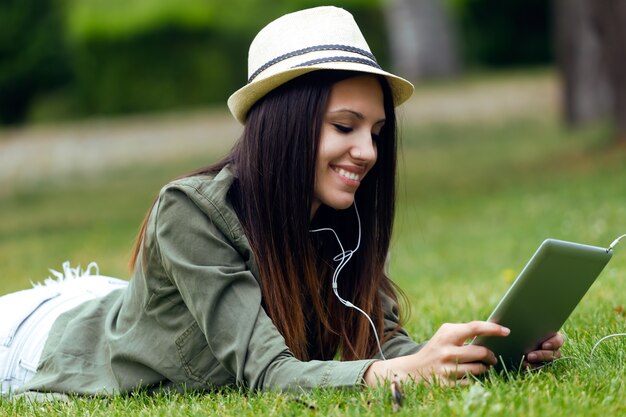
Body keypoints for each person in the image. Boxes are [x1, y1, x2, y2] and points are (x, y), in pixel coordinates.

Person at [0, 6, 563, 396]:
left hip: (131, 303)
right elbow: (268, 374)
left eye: (376, 131)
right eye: (345, 126)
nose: (366, 151)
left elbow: (383, 346)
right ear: (288, 125)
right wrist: (401, 375)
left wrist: (476, 355)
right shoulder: (190, 213)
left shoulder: (343, 219)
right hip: (40, 337)